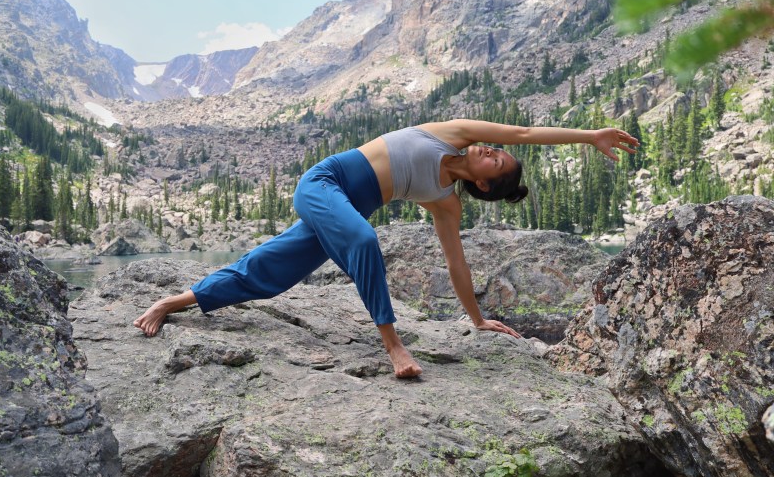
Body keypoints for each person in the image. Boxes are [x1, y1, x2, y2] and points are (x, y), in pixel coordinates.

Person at [134, 119, 638, 378]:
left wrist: (477, 320)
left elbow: (455, 264)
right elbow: (526, 132)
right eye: (496, 149)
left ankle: (173, 302)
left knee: (267, 275)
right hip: (324, 183)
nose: (493, 150)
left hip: (344, 209)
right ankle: (393, 344)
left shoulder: (446, 204)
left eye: (497, 161)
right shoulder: (453, 134)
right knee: (363, 239)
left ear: (486, 186)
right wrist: (589, 135)